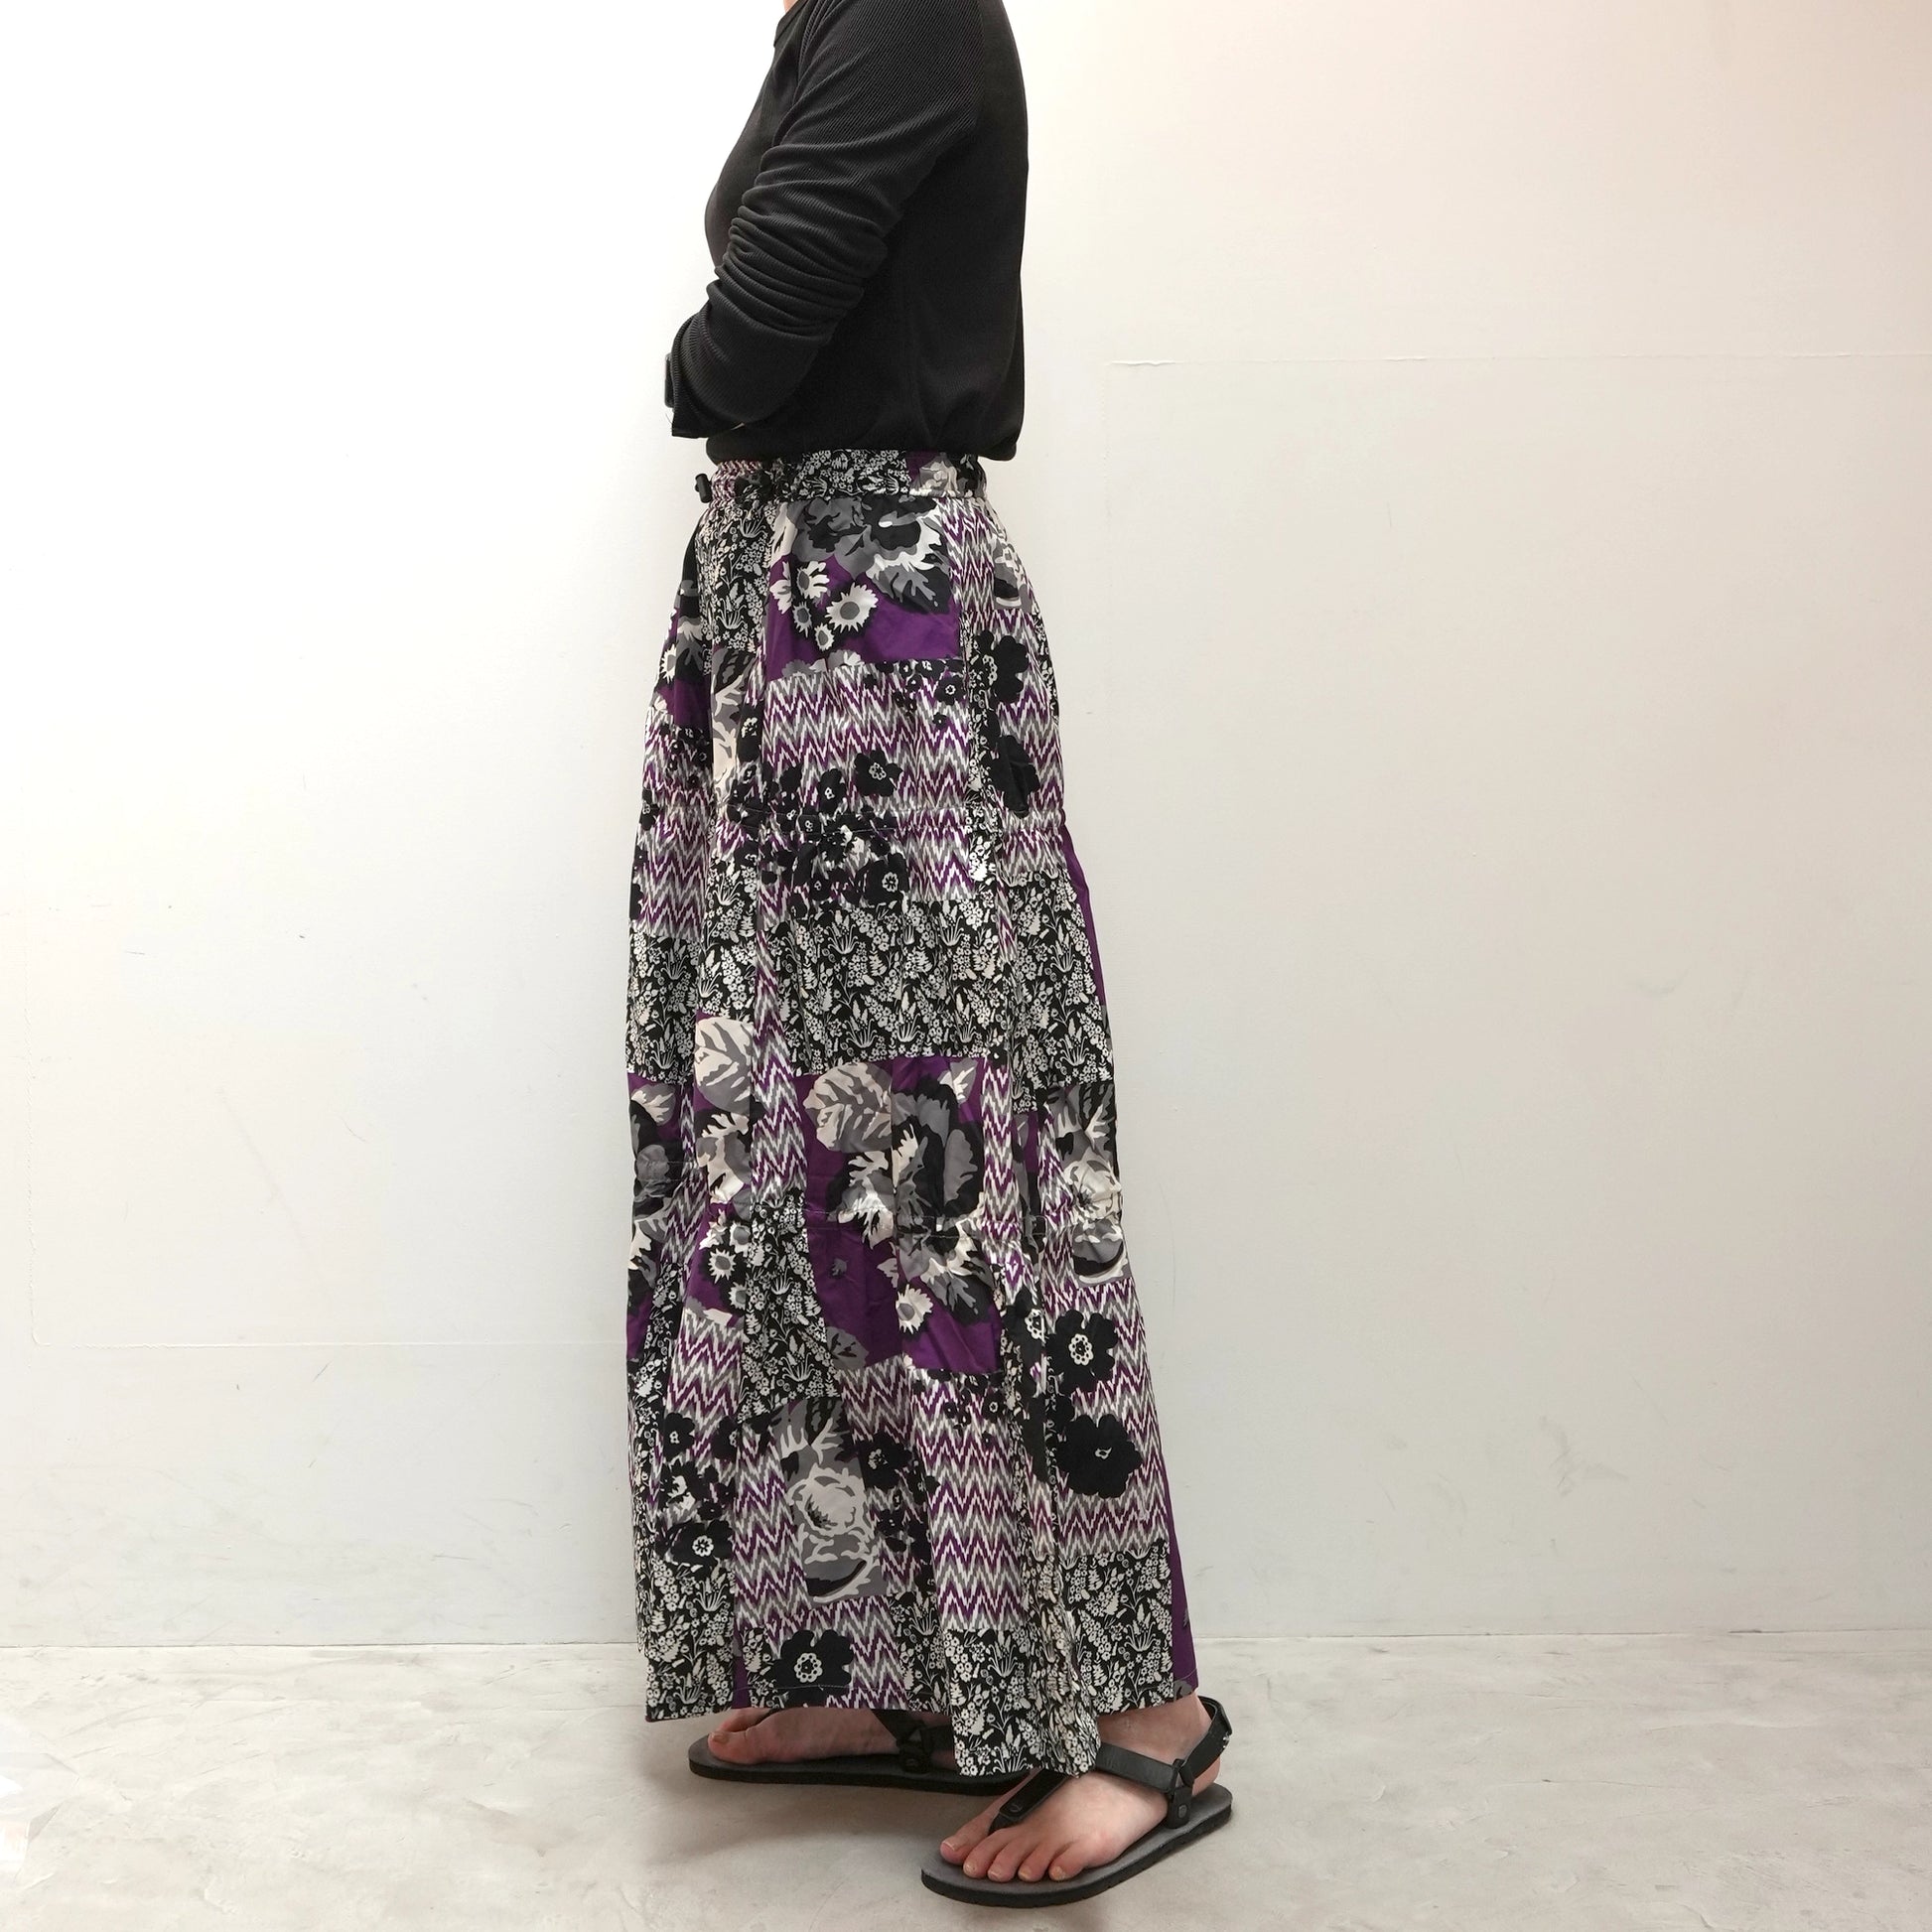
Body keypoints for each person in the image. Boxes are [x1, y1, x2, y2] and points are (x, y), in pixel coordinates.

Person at [625, 0, 1232, 1903]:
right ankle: (882, 1662)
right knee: (798, 1163)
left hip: (874, 625)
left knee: (964, 1167)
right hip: (790, 621)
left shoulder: (905, 6)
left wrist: (693, 356)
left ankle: (1149, 1719)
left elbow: (748, 339)